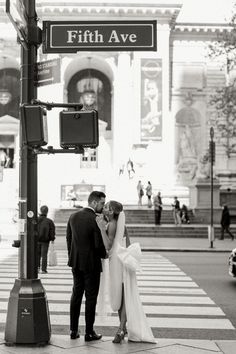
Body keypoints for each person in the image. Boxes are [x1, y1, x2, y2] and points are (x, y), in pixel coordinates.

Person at [96, 200, 155, 344]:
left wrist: (101, 229)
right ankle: (122, 328)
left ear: (111, 211)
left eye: (106, 207)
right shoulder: (120, 224)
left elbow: (109, 246)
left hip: (118, 264)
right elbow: (127, 244)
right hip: (122, 262)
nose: (103, 208)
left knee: (122, 296)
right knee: (123, 295)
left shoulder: (112, 225)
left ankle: (121, 329)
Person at [66, 191, 107, 341]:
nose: (103, 207)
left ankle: (73, 330)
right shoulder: (95, 219)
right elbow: (98, 244)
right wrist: (105, 254)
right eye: (102, 203)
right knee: (91, 298)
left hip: (76, 263)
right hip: (92, 264)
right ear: (94, 203)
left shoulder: (73, 216)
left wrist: (73, 257)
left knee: (76, 295)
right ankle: (89, 332)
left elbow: (68, 240)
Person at [37, 205, 56, 274]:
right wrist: (52, 239)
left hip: (36, 240)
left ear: (40, 211)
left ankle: (37, 268)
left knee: (37, 255)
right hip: (45, 241)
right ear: (47, 212)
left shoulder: (36, 220)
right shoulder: (49, 221)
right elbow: (52, 231)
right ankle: (43, 270)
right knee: (44, 255)